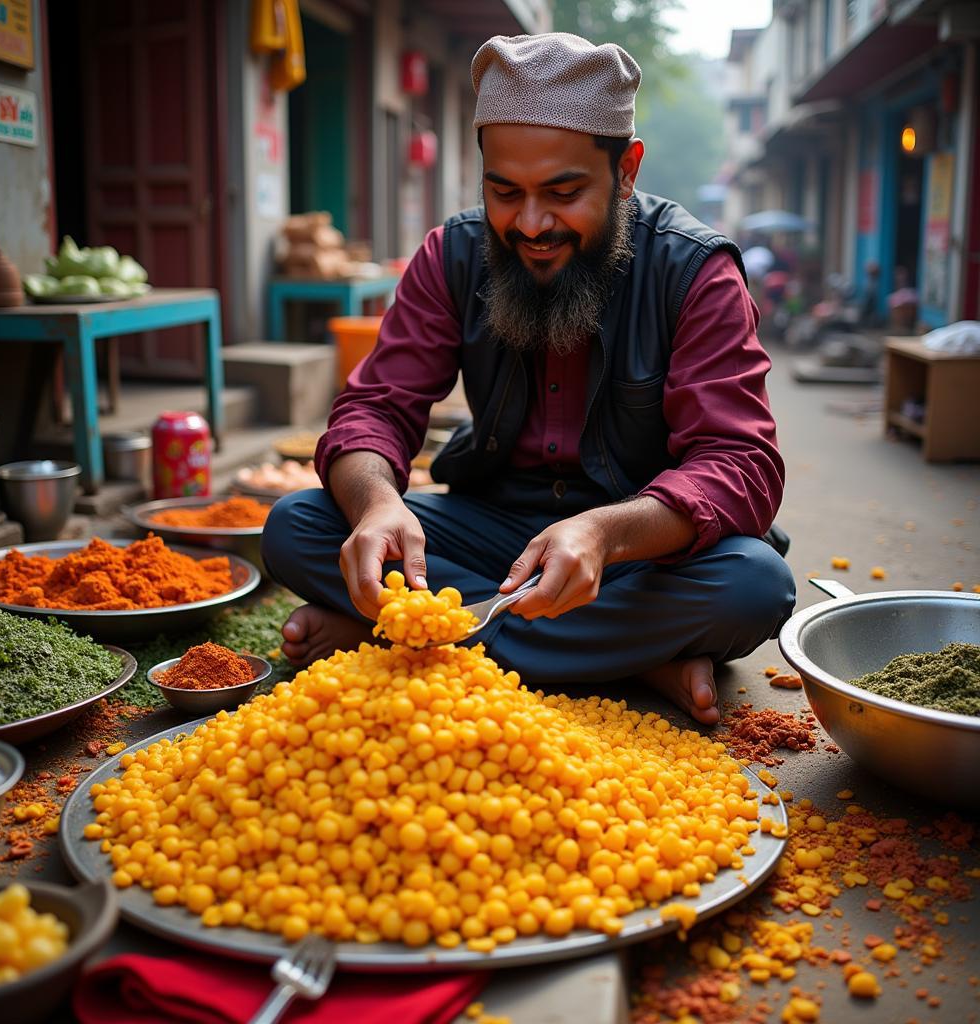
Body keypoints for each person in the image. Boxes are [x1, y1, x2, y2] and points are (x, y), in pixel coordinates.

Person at [262, 32, 796, 726]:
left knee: (752, 584)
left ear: (626, 170)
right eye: (504, 192)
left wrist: (604, 533)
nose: (533, 224)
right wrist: (375, 506)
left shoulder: (694, 271)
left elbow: (741, 463)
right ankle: (637, 660)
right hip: (492, 528)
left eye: (564, 191)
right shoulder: (453, 254)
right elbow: (374, 408)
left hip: (633, 543)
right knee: (296, 525)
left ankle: (409, 636)